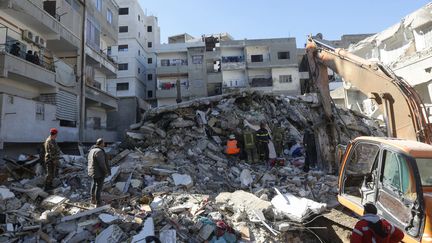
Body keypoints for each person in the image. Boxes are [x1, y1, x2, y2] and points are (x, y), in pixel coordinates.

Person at [88, 138, 111, 206]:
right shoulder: (99, 151)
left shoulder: (92, 150)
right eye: (103, 143)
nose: (104, 144)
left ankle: (92, 200)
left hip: (92, 171)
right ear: (101, 143)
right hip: (99, 172)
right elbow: (102, 164)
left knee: (93, 185)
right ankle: (98, 202)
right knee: (99, 187)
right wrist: (106, 171)